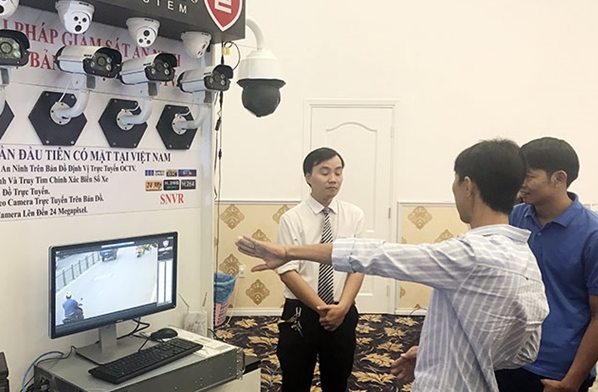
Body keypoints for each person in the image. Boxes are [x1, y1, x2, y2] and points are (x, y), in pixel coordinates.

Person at [236, 139, 550, 392]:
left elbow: (374, 255)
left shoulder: (466, 255)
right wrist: (436, 352)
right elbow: (524, 350)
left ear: (468, 185)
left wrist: (288, 251)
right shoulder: (525, 257)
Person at [496, 137, 598, 392]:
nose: (520, 183)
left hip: (557, 372)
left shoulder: (595, 236)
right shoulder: (513, 218)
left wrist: (571, 382)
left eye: (528, 176)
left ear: (559, 178)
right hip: (507, 357)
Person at [275, 147, 365, 392]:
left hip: (342, 310)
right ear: (308, 177)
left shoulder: (354, 215)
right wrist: (321, 309)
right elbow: (288, 271)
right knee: (295, 381)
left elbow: (358, 266)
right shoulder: (292, 218)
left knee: (337, 381)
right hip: (301, 312)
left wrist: (342, 307)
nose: (333, 179)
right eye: (324, 172)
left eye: (338, 172)